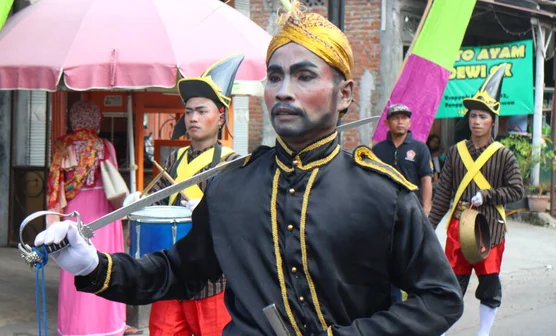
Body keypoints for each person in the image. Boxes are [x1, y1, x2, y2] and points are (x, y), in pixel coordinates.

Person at [34, 2, 464, 335]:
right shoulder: (230, 190)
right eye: (274, 77)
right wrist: (93, 265)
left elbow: (441, 298)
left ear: (345, 93)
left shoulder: (383, 196)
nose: (283, 91)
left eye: (304, 76)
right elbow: (177, 272)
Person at [122, 55, 244, 335]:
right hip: (171, 273)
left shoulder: (234, 163)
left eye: (202, 111)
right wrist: (139, 205)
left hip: (212, 282)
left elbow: (241, 223)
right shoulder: (174, 159)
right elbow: (160, 204)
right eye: (189, 112)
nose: (193, 118)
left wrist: (209, 210)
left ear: (220, 116)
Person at [428, 64, 524, 336]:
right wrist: (429, 224)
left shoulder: (504, 155)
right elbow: (444, 192)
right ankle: (443, 331)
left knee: (489, 285)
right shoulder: (456, 152)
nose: (476, 121)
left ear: (493, 120)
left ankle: (483, 333)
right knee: (451, 284)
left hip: (489, 229)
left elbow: (517, 190)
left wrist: (489, 195)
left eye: (482, 116)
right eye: (473, 115)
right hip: (458, 228)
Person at [46, 100, 141, 335]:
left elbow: (54, 184)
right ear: (95, 119)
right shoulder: (104, 146)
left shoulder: (61, 146)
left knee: (72, 265)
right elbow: (114, 184)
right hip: (102, 211)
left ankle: (72, 326)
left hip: (72, 213)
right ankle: (108, 325)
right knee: (104, 263)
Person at [372, 103, 433, 215]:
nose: (400, 122)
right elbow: (371, 180)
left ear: (409, 123)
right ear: (387, 123)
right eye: (395, 118)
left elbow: (426, 179)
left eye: (404, 118)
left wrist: (426, 209)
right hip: (384, 208)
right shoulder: (377, 150)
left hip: (412, 208)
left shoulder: (420, 148)